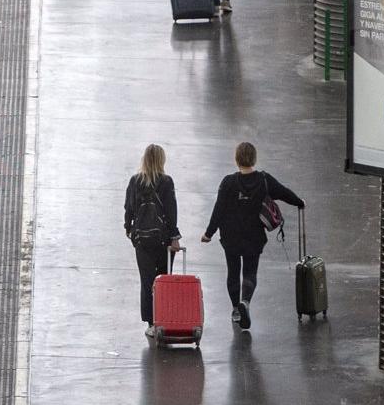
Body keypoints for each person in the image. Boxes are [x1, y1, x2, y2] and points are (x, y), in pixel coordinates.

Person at [200, 142, 303, 330]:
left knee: (232, 272)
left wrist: (209, 233)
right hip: (254, 236)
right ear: (253, 158)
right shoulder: (264, 180)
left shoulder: (228, 182)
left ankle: (235, 310)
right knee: (250, 272)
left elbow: (218, 210)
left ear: (237, 159)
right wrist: (299, 202)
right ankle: (245, 302)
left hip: (230, 237)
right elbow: (283, 193)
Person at [124, 144, 183, 336]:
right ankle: (164, 318)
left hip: (142, 239)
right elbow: (171, 211)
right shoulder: (166, 182)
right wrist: (174, 236)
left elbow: (129, 208)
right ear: (161, 160)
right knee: (164, 279)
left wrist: (129, 229)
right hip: (162, 239)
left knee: (147, 280)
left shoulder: (135, 181)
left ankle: (151, 323)